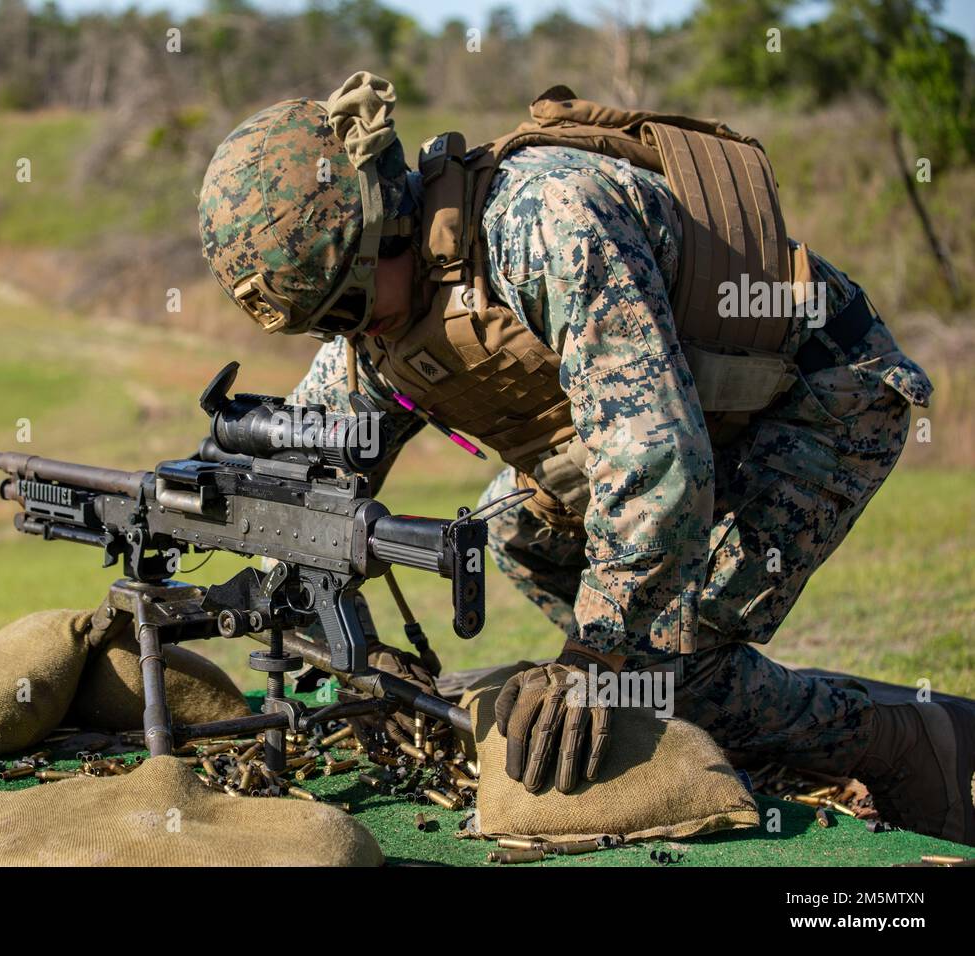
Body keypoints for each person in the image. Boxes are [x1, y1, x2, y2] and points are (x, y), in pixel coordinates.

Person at [197, 72, 971, 844]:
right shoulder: (376, 320)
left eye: (342, 309)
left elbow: (657, 464)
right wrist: (351, 642)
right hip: (689, 420)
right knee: (523, 534)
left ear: (386, 225)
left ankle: (905, 742)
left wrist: (595, 659)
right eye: (319, 327)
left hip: (818, 398)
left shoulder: (547, 223)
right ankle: (706, 715)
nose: (344, 339)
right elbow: (309, 475)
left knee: (663, 660)